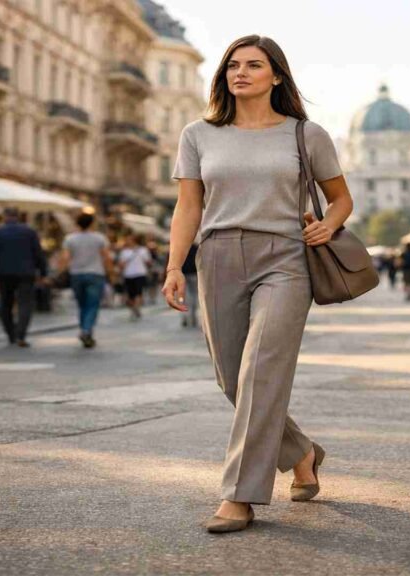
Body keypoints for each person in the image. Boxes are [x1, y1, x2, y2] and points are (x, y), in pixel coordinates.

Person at [162, 35, 353, 533]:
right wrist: (173, 267)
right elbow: (189, 206)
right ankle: (302, 452)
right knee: (232, 377)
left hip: (286, 258)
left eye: (253, 65)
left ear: (277, 76)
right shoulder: (198, 134)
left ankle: (240, 495)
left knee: (261, 369)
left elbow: (340, 199)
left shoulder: (305, 135)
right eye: (232, 65)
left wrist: (328, 226)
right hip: (218, 255)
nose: (239, 72)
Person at [0, 207, 48, 347]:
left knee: (5, 303)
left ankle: (11, 334)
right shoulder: (29, 232)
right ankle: (21, 333)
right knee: (25, 303)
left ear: (4, 216)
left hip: (4, 272)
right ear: (18, 216)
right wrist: (43, 273)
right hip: (26, 272)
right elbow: (38, 253)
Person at [60, 212, 113, 348]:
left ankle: (84, 328)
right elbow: (106, 257)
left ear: (77, 223)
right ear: (92, 223)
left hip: (76, 274)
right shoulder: (100, 238)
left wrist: (62, 271)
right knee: (92, 304)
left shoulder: (70, 239)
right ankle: (87, 330)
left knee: (82, 304)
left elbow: (65, 258)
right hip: (96, 274)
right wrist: (110, 273)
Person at [117, 234, 153, 320]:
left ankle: (137, 308)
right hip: (128, 275)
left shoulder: (143, 250)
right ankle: (134, 309)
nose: (127, 241)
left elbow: (148, 262)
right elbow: (120, 265)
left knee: (139, 292)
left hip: (140, 274)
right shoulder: (124, 252)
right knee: (130, 295)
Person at [181, 242, 199, 328]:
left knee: (183, 297)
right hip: (193, 274)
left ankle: (185, 316)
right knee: (193, 296)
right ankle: (192, 316)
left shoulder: (177, 245)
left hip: (182, 274)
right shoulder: (195, 247)